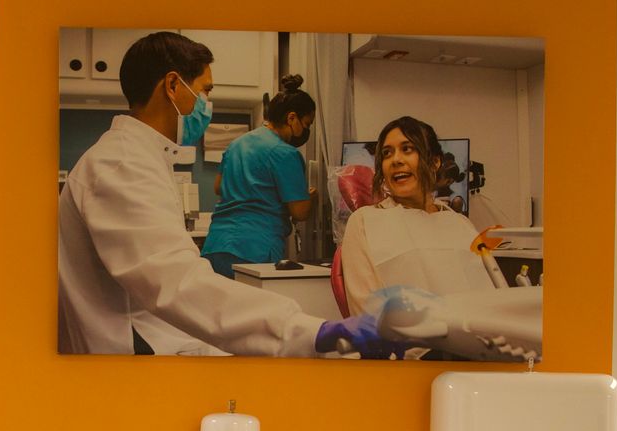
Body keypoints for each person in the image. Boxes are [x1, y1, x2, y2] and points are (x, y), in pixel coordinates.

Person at [58, 31, 383, 357]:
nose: (205, 105)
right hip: (136, 347)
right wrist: (312, 331)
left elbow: (218, 190)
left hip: (211, 259)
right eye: (204, 91)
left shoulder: (143, 156)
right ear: (172, 86)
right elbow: (176, 284)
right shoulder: (121, 163)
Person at [338, 115, 500, 313]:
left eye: (407, 149)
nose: (395, 160)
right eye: (387, 154)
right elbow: (366, 312)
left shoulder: (460, 223)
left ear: (434, 162)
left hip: (476, 338)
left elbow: (491, 298)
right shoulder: (364, 221)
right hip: (407, 342)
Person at [200, 75, 315, 278]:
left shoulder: (237, 143)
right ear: (291, 118)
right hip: (254, 249)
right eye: (306, 124)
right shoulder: (285, 153)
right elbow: (300, 212)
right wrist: (310, 197)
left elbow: (218, 187)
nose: (306, 130)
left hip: (216, 245)